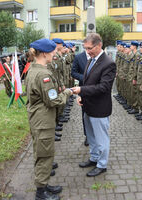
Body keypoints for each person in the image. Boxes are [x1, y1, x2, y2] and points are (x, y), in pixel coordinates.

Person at [26, 38, 73, 200]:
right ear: (45, 53)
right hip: (43, 121)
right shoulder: (43, 74)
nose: (55, 53)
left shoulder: (33, 69)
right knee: (45, 155)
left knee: (42, 152)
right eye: (52, 51)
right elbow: (53, 100)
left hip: (38, 119)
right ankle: (41, 192)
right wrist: (68, 93)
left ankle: (44, 184)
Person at [72, 33, 116, 177]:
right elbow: (86, 81)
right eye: (85, 48)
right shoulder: (91, 59)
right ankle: (94, 158)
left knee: (101, 139)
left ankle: (102, 165)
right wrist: (81, 95)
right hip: (88, 106)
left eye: (90, 48)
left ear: (99, 45)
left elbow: (103, 87)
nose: (87, 51)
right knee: (91, 137)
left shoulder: (108, 63)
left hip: (99, 108)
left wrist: (81, 90)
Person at [72, 49, 90, 146]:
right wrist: (83, 77)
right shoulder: (79, 57)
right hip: (83, 89)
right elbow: (73, 72)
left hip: (96, 90)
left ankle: (95, 135)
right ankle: (87, 135)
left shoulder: (97, 57)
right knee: (85, 113)